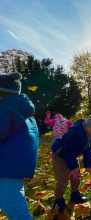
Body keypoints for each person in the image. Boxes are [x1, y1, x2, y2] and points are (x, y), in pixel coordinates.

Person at [0, 72, 39, 219]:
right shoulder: (24, 112)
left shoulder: (3, 109)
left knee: (14, 205)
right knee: (8, 195)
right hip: (14, 164)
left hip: (6, 166)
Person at [51, 112, 91, 213]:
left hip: (71, 156)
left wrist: (88, 166)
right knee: (63, 178)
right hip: (60, 155)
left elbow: (88, 150)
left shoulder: (89, 135)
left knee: (76, 175)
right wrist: (72, 167)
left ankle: (75, 193)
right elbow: (68, 151)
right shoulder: (75, 133)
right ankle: (58, 201)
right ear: (90, 125)